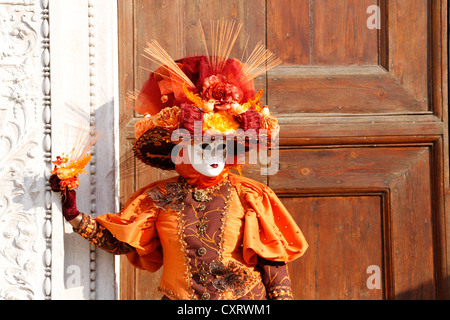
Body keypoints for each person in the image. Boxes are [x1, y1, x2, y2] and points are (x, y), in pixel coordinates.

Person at [50, 22, 308, 300]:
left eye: (223, 146)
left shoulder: (250, 196)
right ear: (182, 151)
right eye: (205, 146)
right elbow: (122, 240)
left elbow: (273, 262)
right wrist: (73, 213)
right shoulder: (159, 197)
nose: (215, 154)